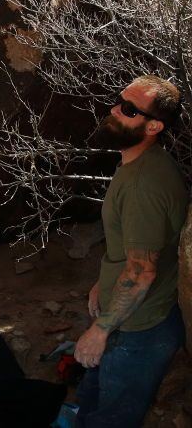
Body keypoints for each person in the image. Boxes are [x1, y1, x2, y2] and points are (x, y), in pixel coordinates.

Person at [73, 75, 187, 427]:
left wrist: (100, 330)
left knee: (113, 418)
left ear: (153, 126)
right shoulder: (136, 162)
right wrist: (102, 283)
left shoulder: (143, 187)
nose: (112, 111)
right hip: (126, 315)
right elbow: (129, 252)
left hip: (139, 328)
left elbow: (141, 272)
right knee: (90, 400)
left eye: (127, 109)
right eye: (117, 101)